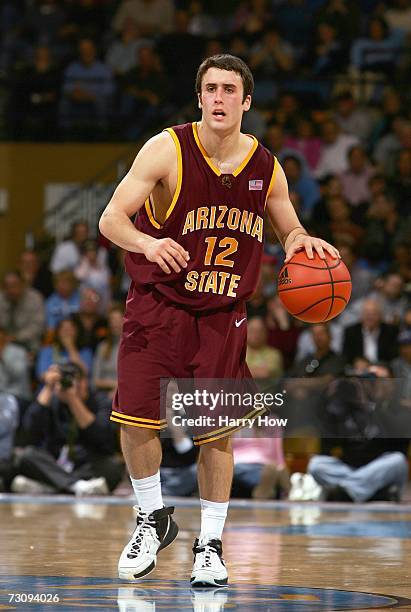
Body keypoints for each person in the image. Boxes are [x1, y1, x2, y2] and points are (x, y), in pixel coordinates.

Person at [99, 54, 339, 587]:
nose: (219, 98)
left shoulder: (265, 165)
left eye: (230, 90)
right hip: (158, 304)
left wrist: (303, 242)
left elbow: (289, 230)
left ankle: (210, 545)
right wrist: (146, 240)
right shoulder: (167, 148)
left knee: (216, 433)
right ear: (199, 97)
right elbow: (110, 218)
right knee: (137, 418)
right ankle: (151, 517)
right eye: (210, 88)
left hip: (222, 313)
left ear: (246, 102)